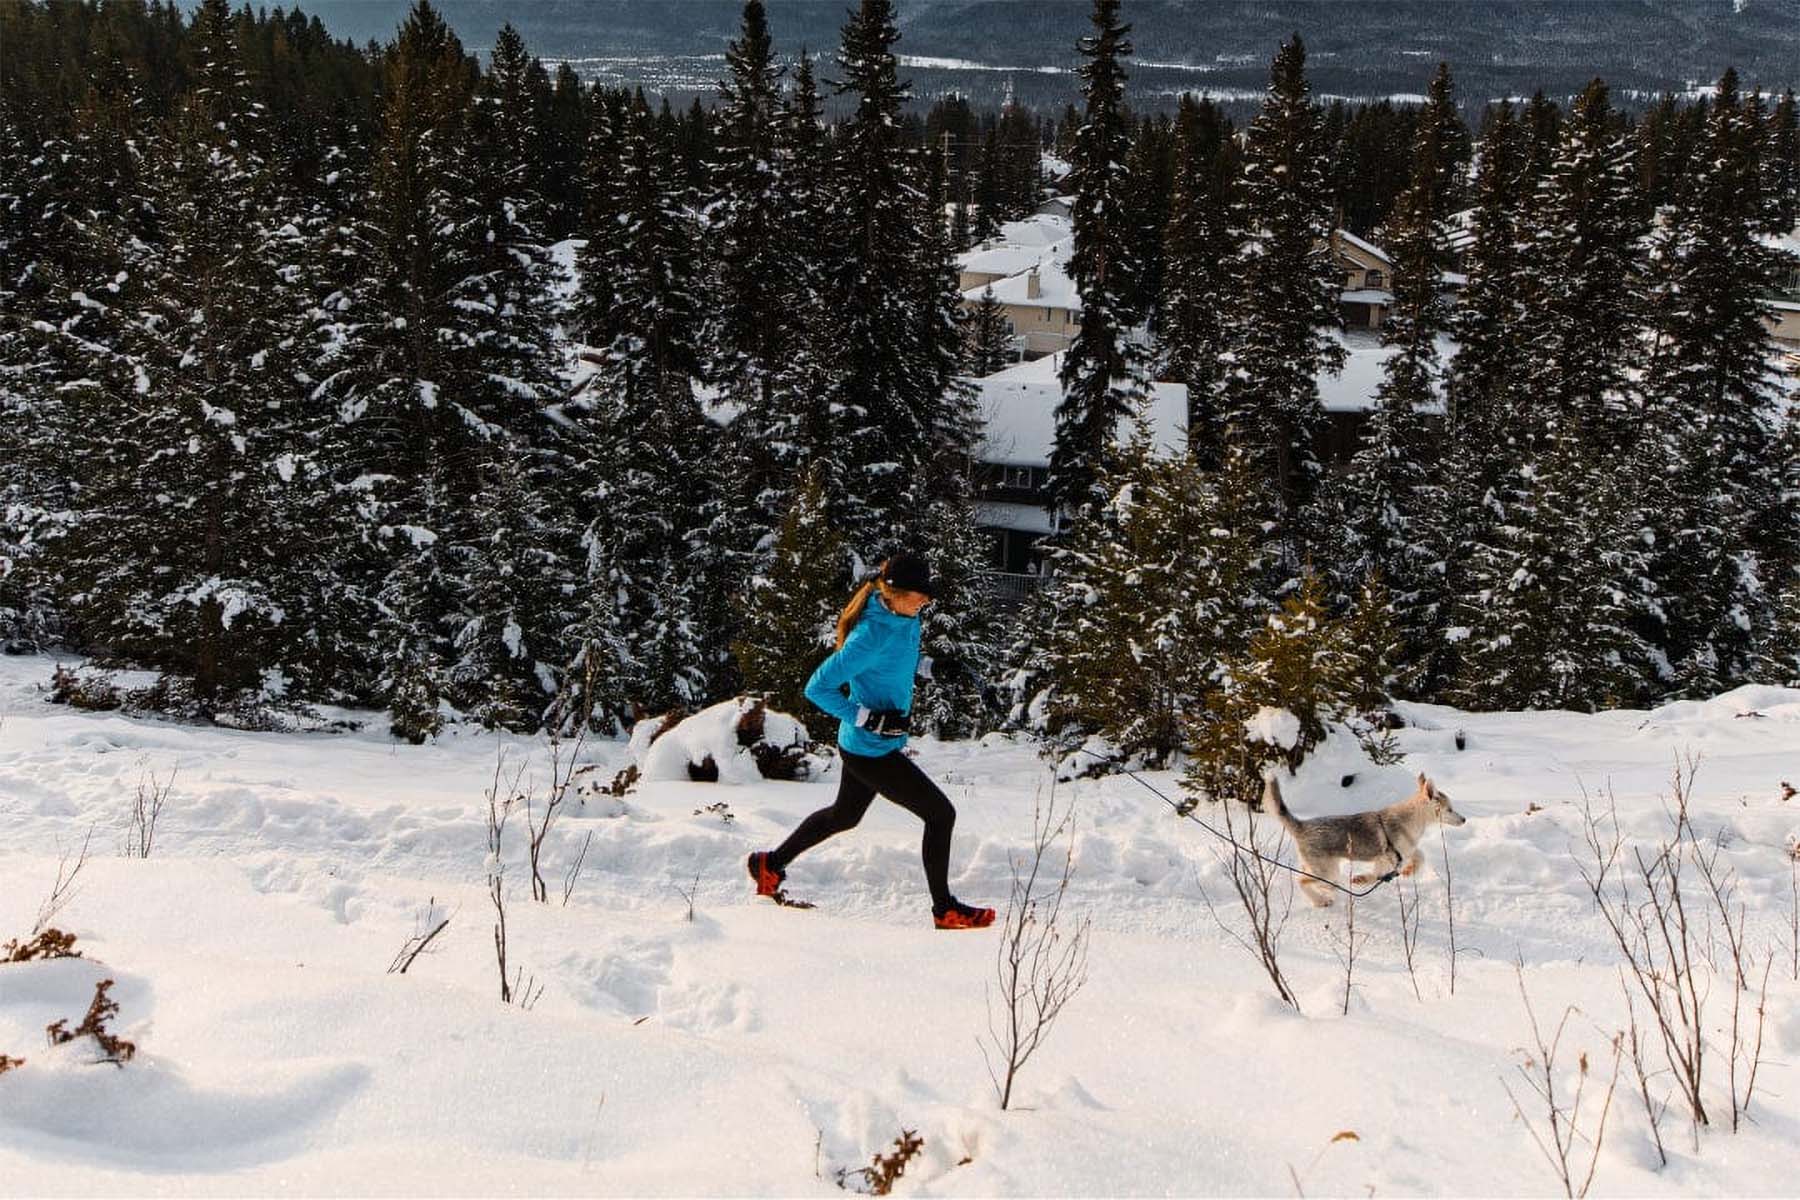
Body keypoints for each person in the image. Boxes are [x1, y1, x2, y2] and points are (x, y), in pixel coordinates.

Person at [746, 552, 995, 930]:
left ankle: (770, 863)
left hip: (869, 747)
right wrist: (868, 718)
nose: (925, 599)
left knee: (843, 816)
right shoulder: (868, 635)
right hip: (870, 750)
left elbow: (899, 660)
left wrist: (934, 668)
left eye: (927, 593)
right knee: (940, 814)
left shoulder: (905, 617)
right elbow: (817, 688)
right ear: (892, 592)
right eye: (918, 594)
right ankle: (944, 909)